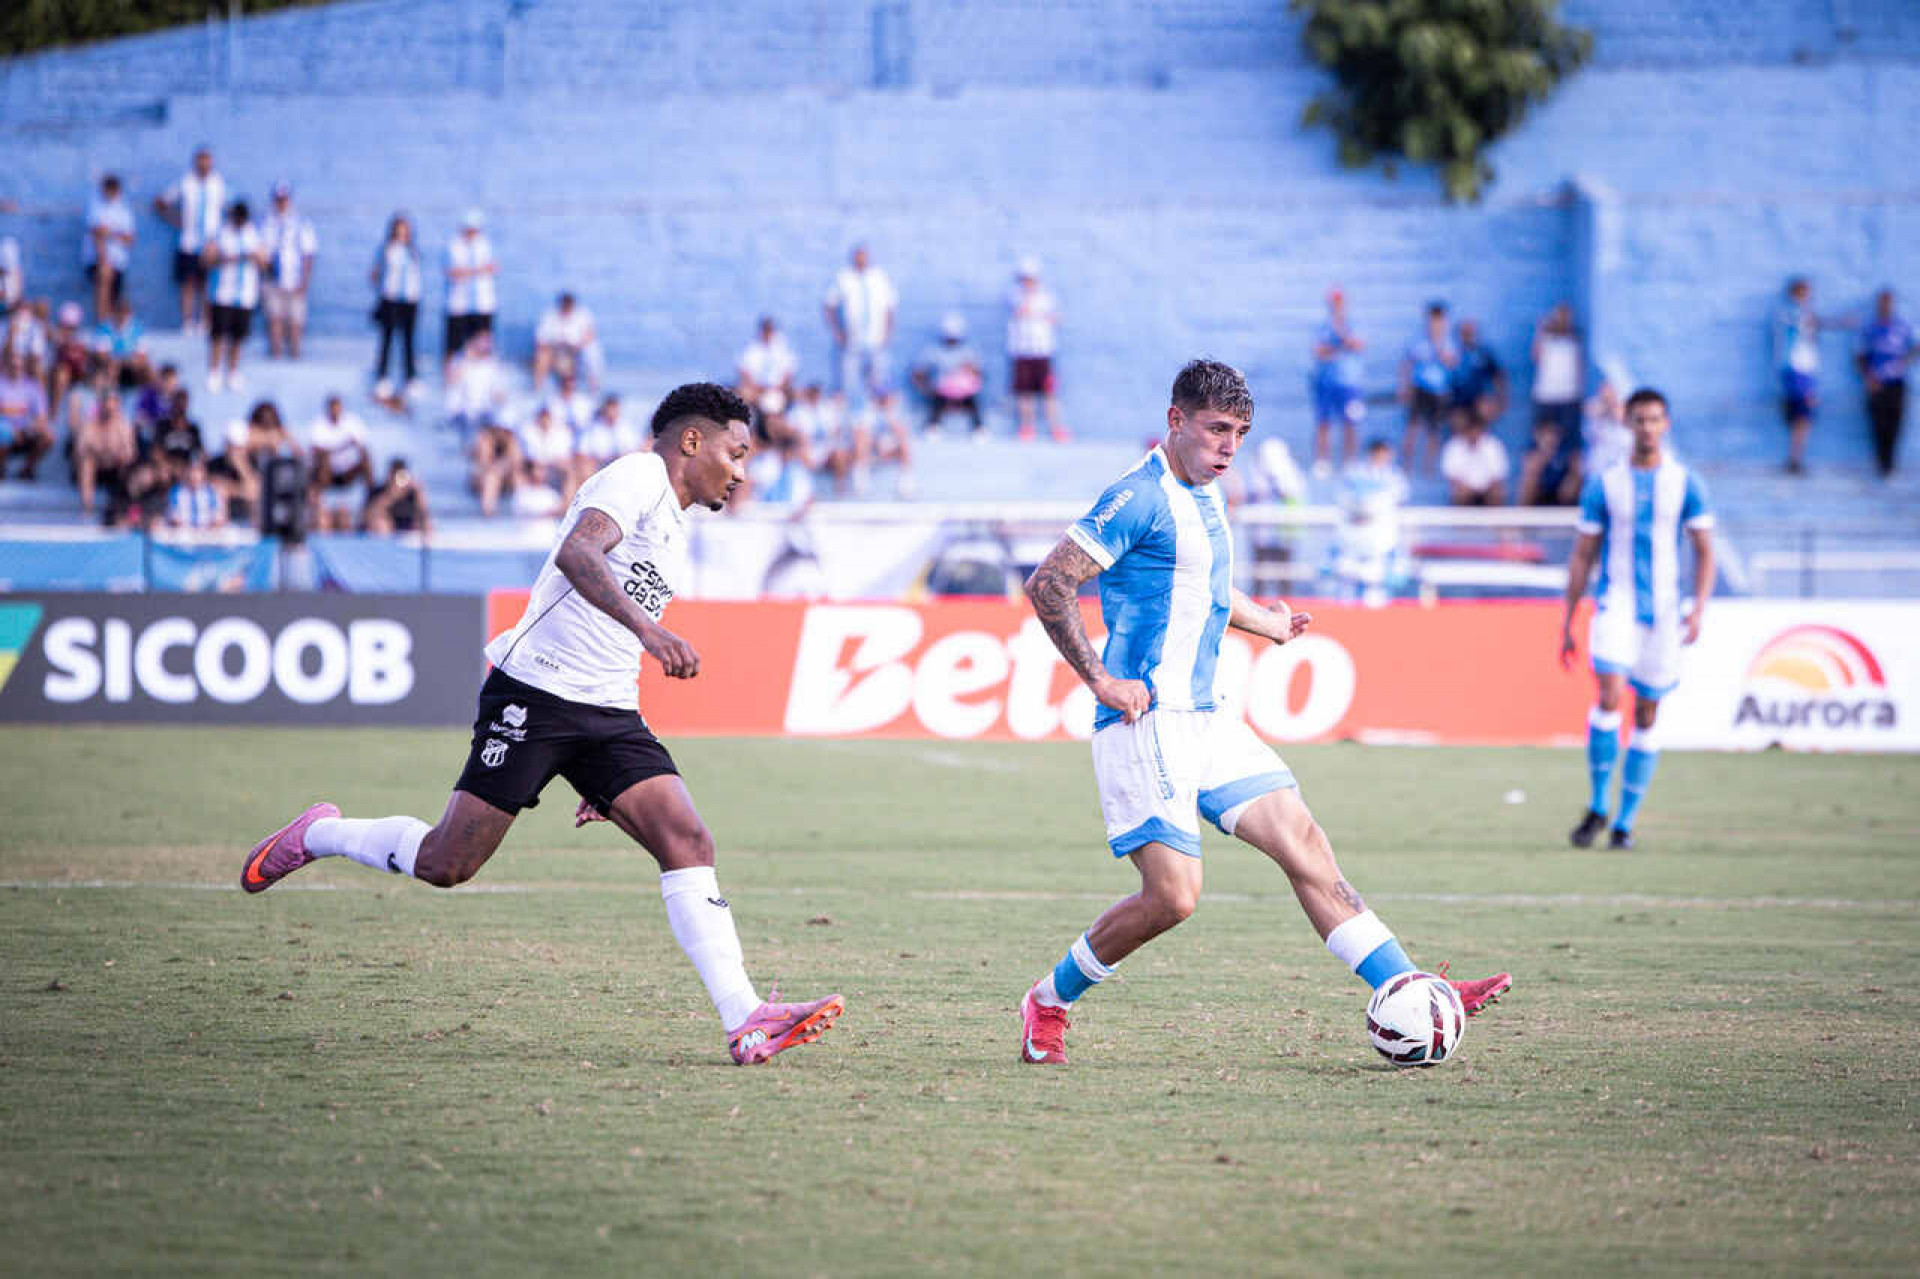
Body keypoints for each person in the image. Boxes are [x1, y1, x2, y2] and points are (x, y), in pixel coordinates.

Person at [240, 382, 845, 1066]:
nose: (741, 471)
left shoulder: (675, 525)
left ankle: (745, 1018)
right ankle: (320, 832)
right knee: (448, 862)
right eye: (736, 453)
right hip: (534, 694)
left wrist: (606, 768)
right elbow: (579, 555)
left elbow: (605, 631)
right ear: (692, 441)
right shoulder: (638, 475)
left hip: (608, 711)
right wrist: (653, 632)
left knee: (687, 837)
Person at [1013, 359, 1510, 1066]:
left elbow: (1204, 587)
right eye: (1217, 429)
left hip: (1210, 720)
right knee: (1174, 898)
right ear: (1175, 421)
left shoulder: (1209, 492)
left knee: (1303, 841)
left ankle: (1408, 983)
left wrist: (1265, 622)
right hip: (1145, 723)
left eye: (1239, 434)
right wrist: (1100, 679)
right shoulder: (1137, 497)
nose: (1228, 446)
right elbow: (1049, 583)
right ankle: (1050, 1000)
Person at [1560, 388, 1715, 852]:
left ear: (1665, 424)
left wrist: (1699, 608)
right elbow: (1583, 554)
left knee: (1647, 712)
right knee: (1609, 695)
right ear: (1627, 424)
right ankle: (1598, 804)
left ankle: (1625, 822)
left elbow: (1705, 552)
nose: (1647, 427)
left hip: (1665, 613)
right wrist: (1567, 618)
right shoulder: (1605, 484)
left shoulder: (1686, 483)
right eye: (1640, 419)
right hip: (1616, 604)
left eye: (1655, 419)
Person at [154, 146, 226, 332]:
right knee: (187, 284)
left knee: (207, 284)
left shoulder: (218, 184)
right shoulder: (185, 183)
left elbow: (227, 209)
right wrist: (175, 220)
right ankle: (187, 322)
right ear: (195, 162)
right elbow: (161, 202)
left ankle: (205, 322)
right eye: (201, 160)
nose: (204, 164)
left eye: (207, 160)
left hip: (209, 243)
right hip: (189, 241)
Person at [203, 200, 268, 393]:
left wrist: (255, 256)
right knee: (218, 334)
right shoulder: (222, 233)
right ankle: (214, 371)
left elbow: (264, 262)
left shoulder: (254, 234)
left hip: (245, 294)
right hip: (222, 293)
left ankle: (233, 371)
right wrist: (227, 258)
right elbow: (207, 259)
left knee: (238, 336)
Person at [823, 243, 895, 414]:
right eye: (858, 256)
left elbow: (889, 307)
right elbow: (829, 305)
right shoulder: (844, 278)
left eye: (864, 256)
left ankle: (878, 421)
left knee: (879, 383)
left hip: (875, 340)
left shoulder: (879, 278)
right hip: (851, 342)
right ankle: (851, 421)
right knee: (849, 384)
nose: (861, 260)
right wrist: (838, 333)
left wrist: (887, 333)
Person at [1007, 257, 1067, 442]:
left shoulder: (1047, 297)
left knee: (1049, 393)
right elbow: (1020, 310)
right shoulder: (1014, 295)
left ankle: (1057, 428)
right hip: (1022, 352)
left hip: (1043, 351)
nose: (1028, 282)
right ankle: (1027, 428)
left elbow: (1056, 319)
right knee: (1025, 393)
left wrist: (1041, 314)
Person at [1309, 288, 1366, 475]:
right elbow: (1318, 351)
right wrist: (1340, 344)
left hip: (1349, 383)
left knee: (1351, 422)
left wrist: (1339, 341)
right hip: (1326, 382)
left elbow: (1358, 345)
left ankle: (1350, 462)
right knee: (1323, 422)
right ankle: (1322, 462)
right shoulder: (1323, 326)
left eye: (1340, 303)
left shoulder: (1353, 324)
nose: (1337, 307)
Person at [1856, 288, 1912, 478]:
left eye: (1889, 302)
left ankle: (1890, 461)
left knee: (1895, 422)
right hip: (1876, 382)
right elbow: (1860, 355)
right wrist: (1868, 377)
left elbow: (1914, 347)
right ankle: (1882, 463)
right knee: (1878, 424)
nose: (1886, 306)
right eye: (1883, 302)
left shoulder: (1902, 326)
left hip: (1896, 381)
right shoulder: (1870, 328)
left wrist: (1904, 361)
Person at [261, 181, 318, 360]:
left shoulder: (301, 223)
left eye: (284, 199)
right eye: (279, 199)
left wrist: (304, 281)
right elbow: (260, 251)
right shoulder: (265, 222)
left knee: (295, 322)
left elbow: (308, 254)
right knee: (274, 319)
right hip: (272, 279)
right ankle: (276, 355)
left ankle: (294, 356)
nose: (282, 203)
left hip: (295, 279)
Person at [1398, 300, 1455, 474]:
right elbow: (1407, 365)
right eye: (1432, 320)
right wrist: (1404, 387)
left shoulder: (1449, 342)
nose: (1435, 324)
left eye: (1439, 321)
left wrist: (1439, 350)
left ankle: (1428, 468)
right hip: (1419, 389)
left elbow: (1452, 363)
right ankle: (1405, 467)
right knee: (1412, 428)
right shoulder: (1418, 342)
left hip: (1439, 391)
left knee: (1434, 431)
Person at [371, 213, 422, 402]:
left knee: (408, 340)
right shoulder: (386, 249)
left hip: (409, 299)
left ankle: (410, 377)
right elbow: (376, 272)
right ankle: (383, 377)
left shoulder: (412, 250)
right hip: (390, 298)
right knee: (387, 339)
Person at [306, 394, 375, 532]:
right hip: (326, 472)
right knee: (324, 461)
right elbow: (318, 451)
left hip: (348, 470)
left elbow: (362, 447)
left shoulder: (353, 422)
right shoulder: (319, 425)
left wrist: (338, 449)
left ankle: (371, 496)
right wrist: (343, 446)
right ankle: (319, 498)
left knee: (366, 459)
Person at [443, 209, 498, 375]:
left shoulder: (485, 244)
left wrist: (469, 271)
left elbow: (493, 267)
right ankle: (449, 381)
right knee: (454, 347)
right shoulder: (453, 245)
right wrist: (478, 270)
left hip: (482, 304)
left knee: (483, 346)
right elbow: (453, 273)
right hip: (458, 304)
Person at [911, 312, 984, 435]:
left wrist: (968, 372)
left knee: (973, 400)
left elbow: (978, 372)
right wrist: (925, 387)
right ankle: (933, 426)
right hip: (942, 391)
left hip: (964, 392)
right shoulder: (934, 350)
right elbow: (918, 371)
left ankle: (979, 428)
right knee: (937, 399)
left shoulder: (968, 351)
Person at [82, 174, 135, 321]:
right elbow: (97, 234)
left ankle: (111, 326)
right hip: (98, 260)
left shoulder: (124, 209)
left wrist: (110, 233)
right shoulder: (95, 207)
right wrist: (103, 259)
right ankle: (101, 322)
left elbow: (130, 238)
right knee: (103, 282)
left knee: (115, 297)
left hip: (119, 261)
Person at [0, 348, 54, 480]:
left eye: (19, 365)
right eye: (12, 364)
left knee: (48, 437)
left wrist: (28, 427)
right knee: (4, 433)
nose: (16, 367)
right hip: (4, 429)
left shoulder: (34, 387)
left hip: (25, 430)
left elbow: (41, 416)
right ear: (6, 365)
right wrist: (12, 427)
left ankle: (27, 469)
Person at [533, 292, 602, 391]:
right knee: (542, 356)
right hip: (555, 351)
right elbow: (540, 340)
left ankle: (594, 388)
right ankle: (538, 389)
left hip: (576, 350)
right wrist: (554, 347)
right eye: (564, 307)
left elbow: (590, 334)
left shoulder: (583, 314)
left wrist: (577, 347)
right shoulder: (549, 316)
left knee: (591, 354)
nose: (566, 310)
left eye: (569, 307)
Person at [1440, 409, 1510, 506]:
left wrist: (1485, 488)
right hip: (1465, 488)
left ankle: (1495, 520)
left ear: (1481, 430)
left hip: (1488, 488)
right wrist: (1468, 488)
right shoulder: (1453, 446)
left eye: (1476, 429)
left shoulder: (1493, 445)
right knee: (1460, 492)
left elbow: (1498, 475)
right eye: (1471, 430)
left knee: (1497, 492)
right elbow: (1452, 476)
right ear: (1466, 430)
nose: (1474, 433)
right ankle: (1460, 520)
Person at [363, 457, 432, 535]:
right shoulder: (379, 491)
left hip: (408, 527)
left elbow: (424, 513)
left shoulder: (411, 492)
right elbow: (368, 515)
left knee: (426, 524)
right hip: (387, 528)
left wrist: (419, 493)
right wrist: (391, 496)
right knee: (380, 524)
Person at [166, 453, 227, 530]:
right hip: (183, 535)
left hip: (208, 535)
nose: (194, 475)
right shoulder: (175, 492)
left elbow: (219, 518)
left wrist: (211, 527)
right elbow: (173, 517)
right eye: (191, 471)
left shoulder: (213, 491)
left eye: (197, 471)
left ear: (203, 473)